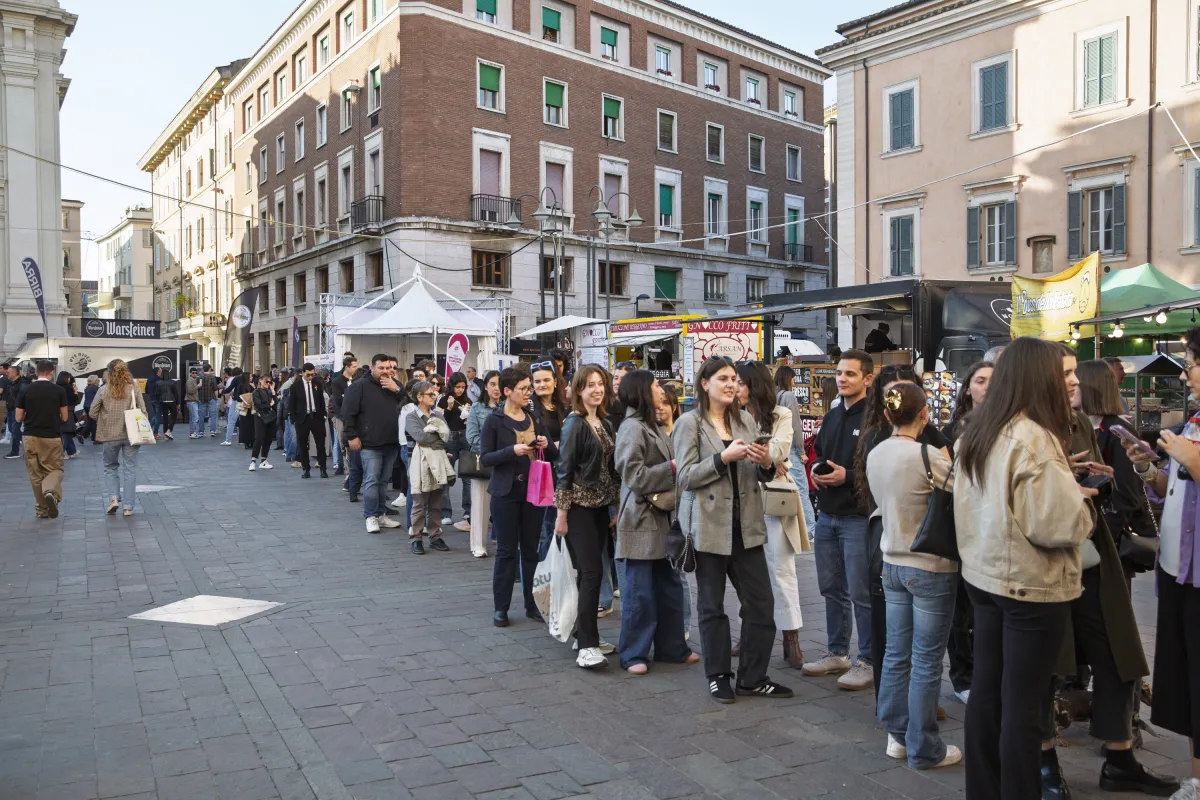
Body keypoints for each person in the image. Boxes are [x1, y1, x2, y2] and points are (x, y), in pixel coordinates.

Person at [953, 336, 1096, 800]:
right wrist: (1080, 501)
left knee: (990, 696)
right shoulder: (1034, 437)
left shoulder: (980, 428)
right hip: (1029, 586)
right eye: (1065, 374)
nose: (1073, 382)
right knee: (1023, 706)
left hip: (986, 576)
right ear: (1040, 379)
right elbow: (1058, 525)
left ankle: (986, 790)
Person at [1037, 352, 1177, 798]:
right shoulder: (1020, 427)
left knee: (1120, 656)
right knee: (1048, 665)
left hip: (1094, 555)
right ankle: (1043, 763)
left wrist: (1099, 481)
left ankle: (1119, 757)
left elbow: (1108, 484)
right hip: (1042, 564)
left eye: (1076, 373)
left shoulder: (1079, 423)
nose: (1076, 381)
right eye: (1066, 374)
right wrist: (1063, 481)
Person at [675, 356, 792, 702]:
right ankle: (718, 675)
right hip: (709, 527)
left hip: (747, 526)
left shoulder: (745, 420)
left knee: (761, 604)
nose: (731, 385)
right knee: (712, 607)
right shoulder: (690, 423)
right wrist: (722, 459)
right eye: (723, 379)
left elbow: (760, 472)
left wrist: (767, 462)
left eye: (734, 379)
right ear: (705, 384)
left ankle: (753, 677)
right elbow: (683, 477)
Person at [1120, 326, 1200, 800]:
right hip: (1178, 570)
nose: (1187, 373)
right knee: (1188, 679)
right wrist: (1150, 465)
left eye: (1190, 363)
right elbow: (1173, 485)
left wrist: (1189, 457)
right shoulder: (1193, 420)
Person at [866, 383, 961, 770]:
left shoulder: (876, 452)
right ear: (924, 414)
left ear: (887, 416)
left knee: (896, 653)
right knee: (926, 659)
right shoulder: (927, 455)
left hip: (891, 561)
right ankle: (924, 747)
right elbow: (964, 492)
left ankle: (896, 735)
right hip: (930, 567)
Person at [613, 369, 699, 674]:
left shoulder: (650, 424)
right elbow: (634, 476)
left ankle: (672, 647)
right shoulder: (632, 427)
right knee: (640, 593)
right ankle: (634, 653)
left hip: (663, 518)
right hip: (640, 520)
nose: (659, 390)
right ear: (640, 391)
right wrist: (673, 467)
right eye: (653, 386)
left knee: (669, 587)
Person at [804, 349, 876, 691]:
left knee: (861, 592)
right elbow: (819, 453)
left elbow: (877, 467)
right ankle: (837, 652)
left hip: (857, 517)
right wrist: (817, 472)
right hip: (828, 514)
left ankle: (868, 659)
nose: (842, 379)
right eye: (839, 373)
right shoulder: (833, 415)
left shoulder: (875, 419)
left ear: (867, 379)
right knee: (831, 588)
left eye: (849, 373)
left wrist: (847, 476)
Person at [738, 361, 807, 669]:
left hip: (773, 499)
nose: (733, 388)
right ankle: (749, 633)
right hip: (741, 498)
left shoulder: (782, 413)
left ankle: (791, 638)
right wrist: (764, 457)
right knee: (745, 572)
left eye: (739, 382)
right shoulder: (730, 416)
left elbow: (777, 452)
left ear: (753, 385)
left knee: (782, 568)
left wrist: (764, 456)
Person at [554, 365, 621, 669]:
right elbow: (564, 471)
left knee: (592, 573)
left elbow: (611, 469)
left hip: (600, 507)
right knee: (591, 572)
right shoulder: (574, 424)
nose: (597, 389)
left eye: (600, 384)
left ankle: (585, 633)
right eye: (590, 385)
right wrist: (562, 513)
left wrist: (616, 506)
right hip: (579, 507)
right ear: (578, 390)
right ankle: (586, 646)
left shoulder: (603, 422)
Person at [481, 366, 557, 628]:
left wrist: (546, 445)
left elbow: (553, 454)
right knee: (505, 551)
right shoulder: (495, 420)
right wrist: (511, 450)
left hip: (533, 491)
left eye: (529, 388)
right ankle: (500, 608)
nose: (529, 393)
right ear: (507, 391)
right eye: (524, 389)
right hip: (505, 492)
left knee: (531, 550)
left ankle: (532, 604)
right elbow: (486, 458)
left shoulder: (534, 416)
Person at [941, 359, 993, 706]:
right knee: (960, 608)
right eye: (979, 380)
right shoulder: (953, 430)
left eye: (993, 380)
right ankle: (963, 675)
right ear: (968, 387)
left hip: (994, 530)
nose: (986, 387)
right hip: (961, 527)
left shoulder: (1011, 426)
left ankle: (985, 673)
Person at [341, 354, 406, 534]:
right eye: (381, 368)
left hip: (391, 441)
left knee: (384, 481)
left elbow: (410, 405)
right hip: (369, 443)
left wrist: (397, 390)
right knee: (371, 479)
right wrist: (351, 436)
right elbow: (348, 413)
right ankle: (370, 516)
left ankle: (380, 513)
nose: (386, 371)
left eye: (388, 368)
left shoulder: (396, 385)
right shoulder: (360, 387)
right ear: (372, 368)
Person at [88, 359, 148, 517]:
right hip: (131, 434)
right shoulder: (133, 387)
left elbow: (92, 412)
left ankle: (113, 499)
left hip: (110, 434)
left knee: (110, 467)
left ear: (108, 372)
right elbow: (142, 409)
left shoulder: (103, 389)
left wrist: (106, 418)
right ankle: (128, 507)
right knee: (130, 470)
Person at [16, 361, 69, 519]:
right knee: (55, 469)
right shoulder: (59, 390)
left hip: (30, 436)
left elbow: (18, 418)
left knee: (35, 474)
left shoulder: (25, 390)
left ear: (36, 372)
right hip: (51, 436)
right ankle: (50, 492)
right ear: (51, 372)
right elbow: (65, 417)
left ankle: (42, 510)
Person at [405, 380, 451, 554]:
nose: (434, 396)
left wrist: (435, 439)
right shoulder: (411, 417)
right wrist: (436, 439)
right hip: (420, 464)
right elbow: (420, 438)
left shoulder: (438, 415)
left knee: (436, 502)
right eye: (430, 394)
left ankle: (435, 537)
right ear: (419, 397)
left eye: (434, 394)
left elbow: (447, 437)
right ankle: (416, 538)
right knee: (419, 502)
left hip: (438, 463)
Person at [773, 365, 817, 533]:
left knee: (784, 487)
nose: (794, 381)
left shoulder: (774, 396)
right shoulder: (789, 396)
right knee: (801, 489)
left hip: (778, 446)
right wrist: (802, 451)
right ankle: (810, 528)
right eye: (792, 378)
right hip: (791, 446)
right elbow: (796, 426)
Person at [531, 360, 566, 559]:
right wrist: (557, 444)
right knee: (545, 524)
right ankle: (543, 568)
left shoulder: (564, 407)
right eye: (537, 381)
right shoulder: (531, 410)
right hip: (542, 472)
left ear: (555, 382)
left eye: (546, 380)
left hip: (562, 471)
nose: (542, 385)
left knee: (557, 522)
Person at [466, 370, 500, 558]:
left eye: (500, 384)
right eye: (493, 384)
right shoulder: (477, 408)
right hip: (483, 459)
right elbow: (471, 436)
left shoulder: (507, 407)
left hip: (504, 461)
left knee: (501, 503)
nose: (496, 388)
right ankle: (478, 544)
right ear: (485, 386)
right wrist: (493, 448)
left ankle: (500, 539)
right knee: (480, 503)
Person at [437, 372, 472, 531]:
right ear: (452, 386)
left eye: (463, 387)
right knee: (447, 476)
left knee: (468, 477)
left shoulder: (467, 399)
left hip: (464, 436)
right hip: (450, 436)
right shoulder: (444, 398)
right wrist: (449, 407)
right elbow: (437, 416)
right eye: (458, 387)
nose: (460, 390)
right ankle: (445, 512)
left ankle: (468, 511)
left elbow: (469, 419)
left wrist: (468, 413)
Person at [289, 363, 329, 479]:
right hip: (302, 419)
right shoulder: (295, 386)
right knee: (302, 445)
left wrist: (323, 416)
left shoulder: (317, 384)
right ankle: (306, 469)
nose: (310, 377)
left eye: (312, 374)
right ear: (302, 372)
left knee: (320, 444)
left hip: (316, 417)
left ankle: (323, 469)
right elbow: (292, 404)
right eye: (308, 375)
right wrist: (294, 418)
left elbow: (321, 401)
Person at [331, 357, 361, 499]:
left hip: (355, 417)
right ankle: (348, 476)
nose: (355, 368)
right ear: (346, 367)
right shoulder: (337, 382)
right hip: (342, 418)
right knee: (345, 447)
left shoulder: (356, 381)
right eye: (353, 366)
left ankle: (351, 480)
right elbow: (338, 401)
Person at [249, 375, 279, 471]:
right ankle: (253, 461)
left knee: (268, 439)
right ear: (260, 381)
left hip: (270, 418)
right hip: (260, 417)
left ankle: (263, 460)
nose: (268, 383)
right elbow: (258, 405)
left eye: (270, 382)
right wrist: (269, 404)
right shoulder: (256, 392)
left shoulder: (269, 392)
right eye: (266, 381)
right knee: (259, 438)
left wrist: (273, 391)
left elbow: (276, 404)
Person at [4, 365, 30, 458]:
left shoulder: (22, 384)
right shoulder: (10, 383)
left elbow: (23, 397)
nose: (7, 373)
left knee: (15, 430)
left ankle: (15, 451)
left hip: (17, 409)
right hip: (10, 409)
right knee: (12, 429)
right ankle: (29, 447)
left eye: (9, 372)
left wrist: (22, 409)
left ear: (14, 373)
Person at [55, 372, 80, 459]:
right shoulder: (68, 388)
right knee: (65, 431)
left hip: (56, 411)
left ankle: (72, 451)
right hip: (68, 411)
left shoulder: (55, 387)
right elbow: (76, 401)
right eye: (69, 377)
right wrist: (76, 392)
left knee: (65, 431)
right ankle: (61, 453)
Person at [195, 365, 220, 438]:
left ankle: (201, 431)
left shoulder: (199, 378)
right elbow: (215, 389)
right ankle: (212, 431)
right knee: (213, 416)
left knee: (201, 416)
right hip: (211, 398)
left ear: (203, 370)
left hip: (201, 399)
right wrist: (216, 398)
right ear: (209, 369)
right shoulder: (212, 378)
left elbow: (197, 389)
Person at [156, 369, 179, 440]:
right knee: (174, 416)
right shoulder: (172, 382)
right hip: (172, 401)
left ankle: (165, 432)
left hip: (163, 401)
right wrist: (178, 403)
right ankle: (169, 430)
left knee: (165, 417)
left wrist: (159, 401)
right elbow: (176, 393)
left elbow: (157, 394)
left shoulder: (158, 383)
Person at [82, 375, 100, 444]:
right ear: (95, 380)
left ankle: (82, 434)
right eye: (97, 380)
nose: (98, 381)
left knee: (90, 421)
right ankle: (94, 438)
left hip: (86, 406)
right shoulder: (95, 388)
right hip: (92, 406)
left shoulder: (87, 388)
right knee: (94, 422)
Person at [146, 366, 162, 439]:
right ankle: (155, 434)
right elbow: (160, 391)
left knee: (155, 416)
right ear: (157, 372)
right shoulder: (158, 379)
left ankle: (146, 430)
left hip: (151, 399)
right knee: (158, 417)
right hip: (157, 400)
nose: (161, 373)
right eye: (160, 372)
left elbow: (146, 389)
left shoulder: (149, 378)